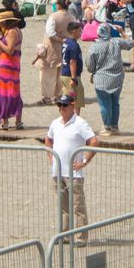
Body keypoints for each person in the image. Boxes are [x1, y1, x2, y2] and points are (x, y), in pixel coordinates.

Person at [44, 94, 98, 236]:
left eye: (64, 105)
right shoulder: (55, 123)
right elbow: (48, 140)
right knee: (63, 206)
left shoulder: (80, 123)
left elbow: (94, 142)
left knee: (78, 206)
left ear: (72, 106)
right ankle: (65, 235)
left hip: (74, 173)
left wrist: (84, 162)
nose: (61, 108)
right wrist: (51, 158)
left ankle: (81, 237)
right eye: (59, 105)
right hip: (58, 171)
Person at [85, 23, 131, 136]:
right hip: (117, 78)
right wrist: (122, 32)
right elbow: (131, 44)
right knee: (115, 103)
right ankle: (114, 126)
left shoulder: (94, 47)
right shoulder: (116, 42)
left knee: (105, 104)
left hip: (101, 79)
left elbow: (90, 66)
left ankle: (107, 127)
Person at [0, 9, 25, 130]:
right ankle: (17, 121)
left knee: (6, 93)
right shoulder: (14, 30)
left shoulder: (12, 32)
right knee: (13, 92)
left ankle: (5, 122)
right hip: (10, 65)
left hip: (9, 66)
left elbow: (9, 50)